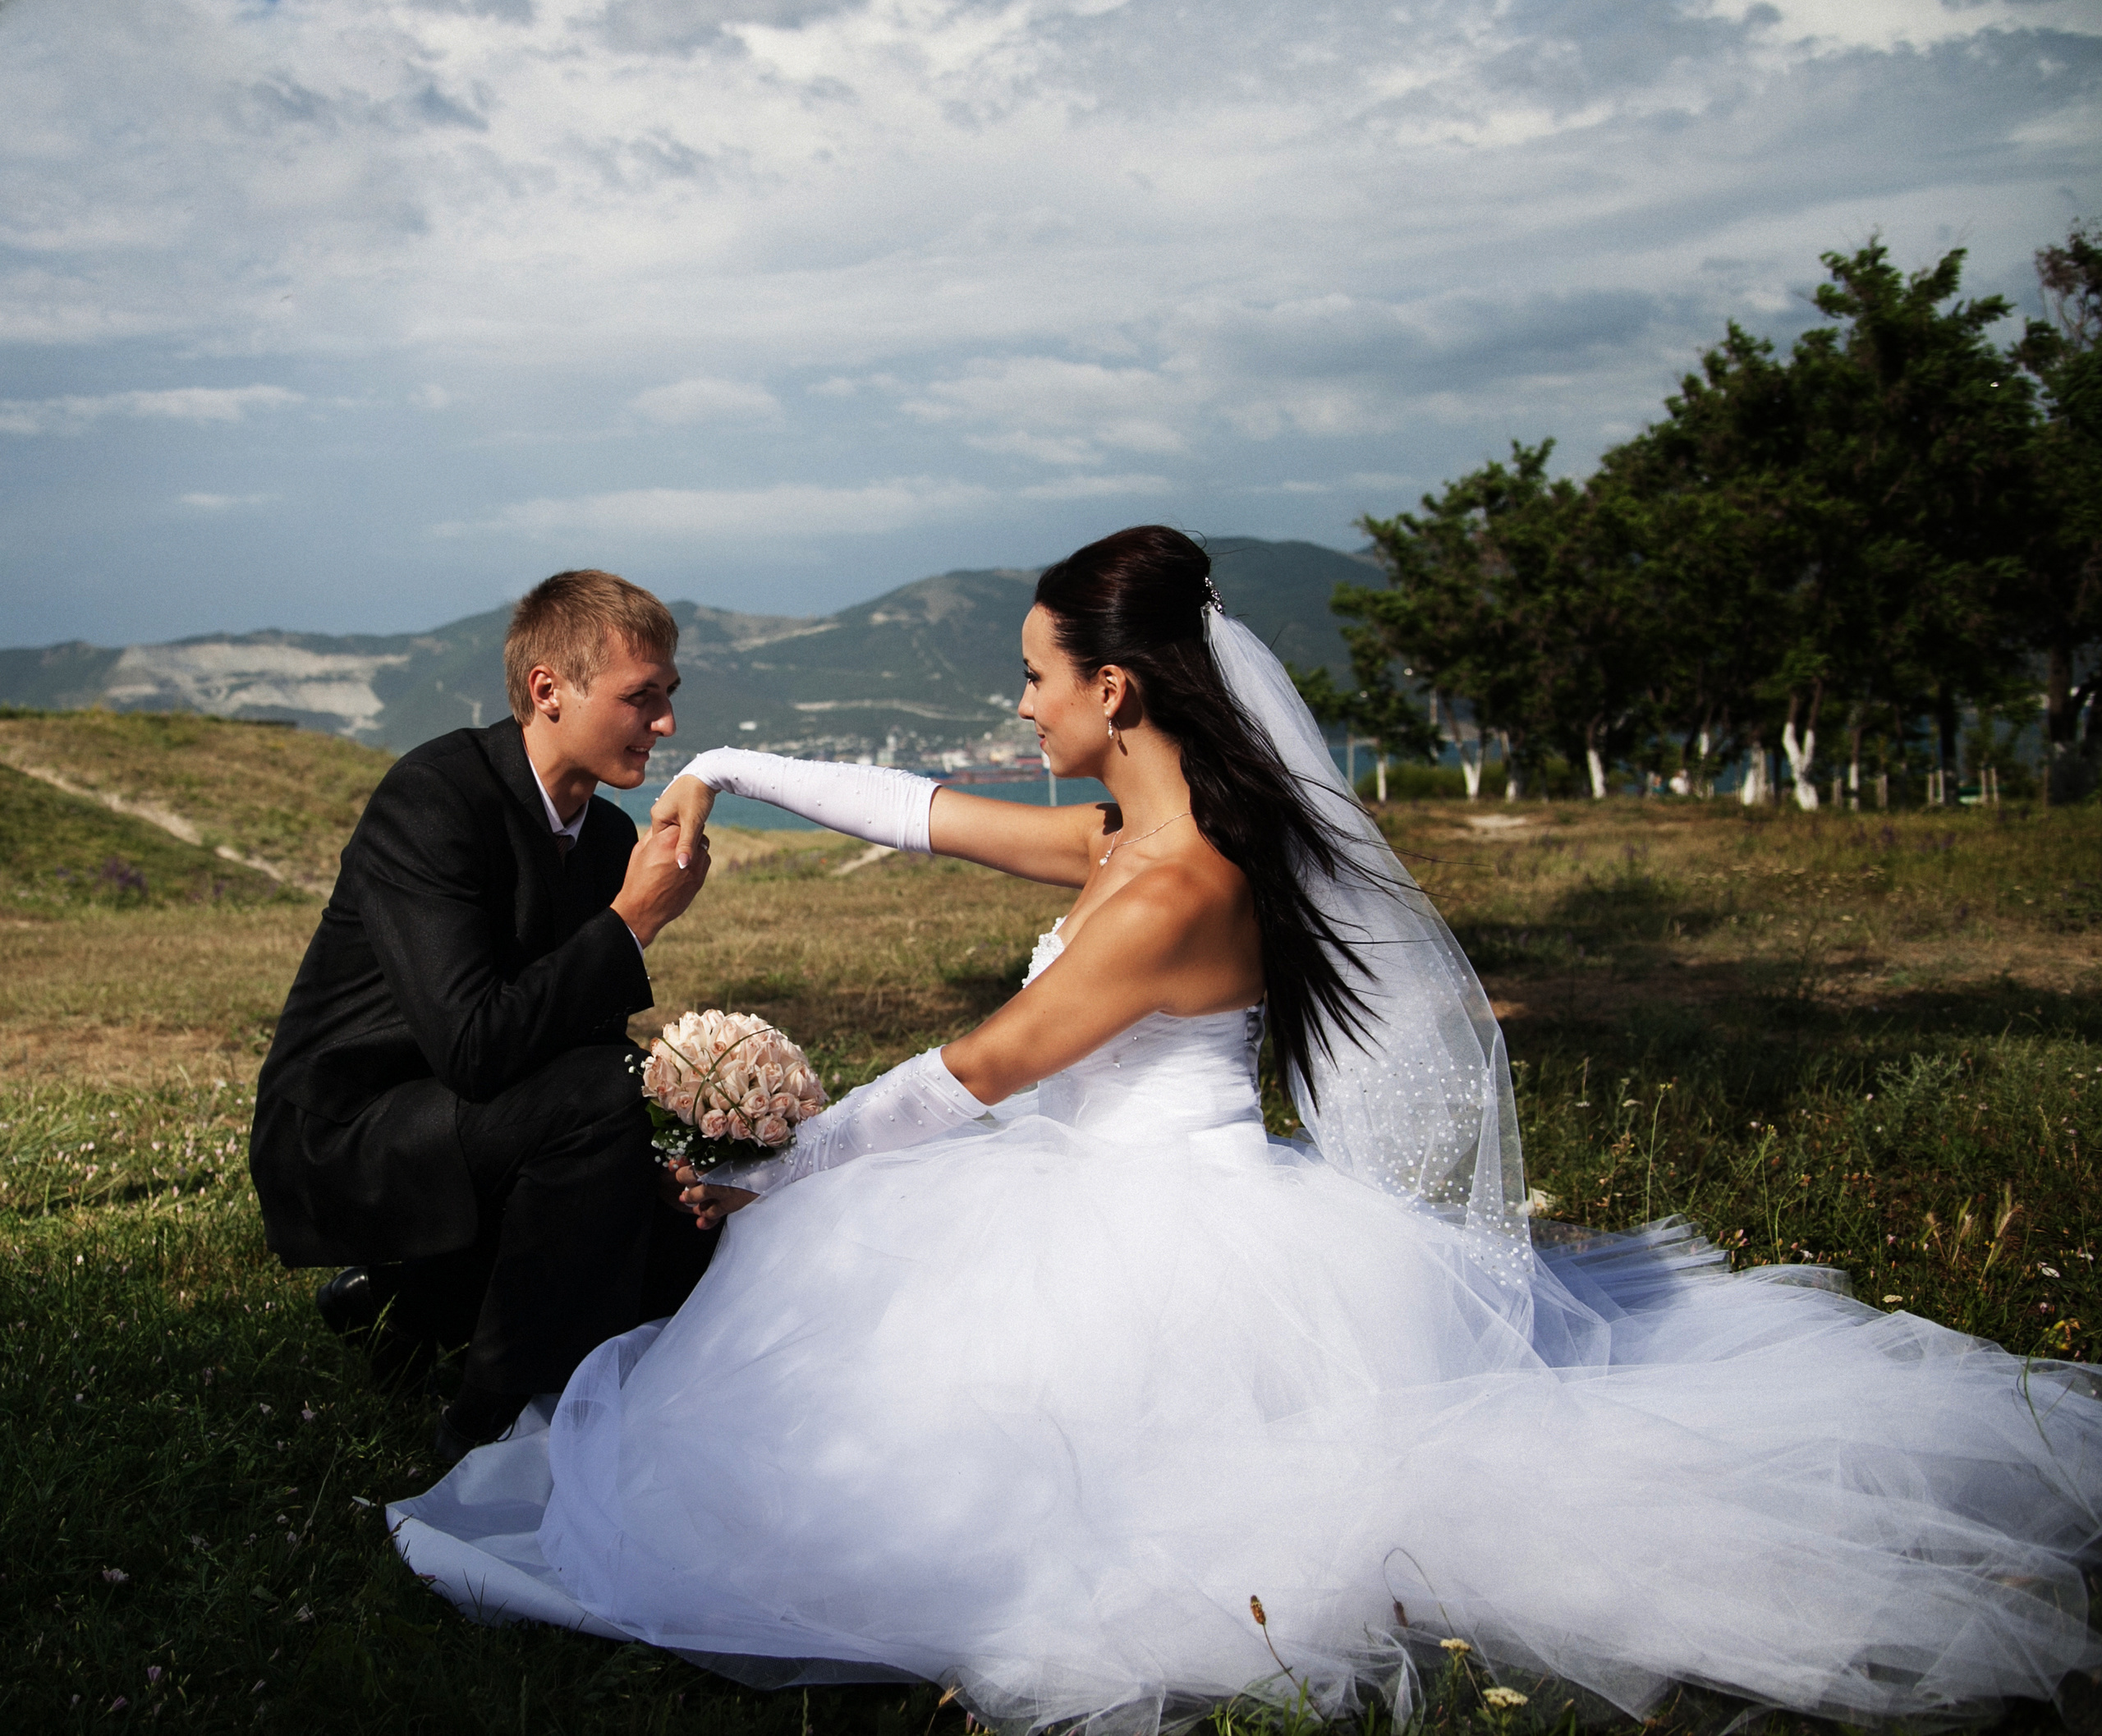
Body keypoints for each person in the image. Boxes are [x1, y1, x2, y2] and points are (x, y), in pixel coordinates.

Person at [390, 529, 2100, 1731]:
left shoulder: (1173, 885)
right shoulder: (1123, 838)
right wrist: (735, 760)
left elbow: (979, 1069)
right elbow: (920, 814)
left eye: (1038, 679)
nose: (1024, 710)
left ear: (1119, 690)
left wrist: (781, 1165)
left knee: (1023, 1498)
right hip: (1085, 1181)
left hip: (1163, 1228)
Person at [251, 569, 715, 1466]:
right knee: (602, 1097)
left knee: (687, 1232)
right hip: (352, 1130)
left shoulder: (607, 837)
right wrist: (633, 922)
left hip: (487, 1113)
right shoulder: (433, 798)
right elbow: (472, 1044)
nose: (665, 723)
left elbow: (582, 1035)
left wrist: (667, 1147)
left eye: (668, 695)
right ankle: (485, 1423)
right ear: (548, 690)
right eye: (641, 697)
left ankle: (408, 1308)